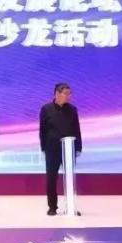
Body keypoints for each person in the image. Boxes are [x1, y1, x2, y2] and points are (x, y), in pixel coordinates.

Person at [39, 83, 82, 216]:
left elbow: (77, 129)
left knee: (70, 177)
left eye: (70, 93)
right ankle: (52, 207)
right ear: (57, 93)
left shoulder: (72, 109)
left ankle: (71, 206)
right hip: (52, 149)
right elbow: (42, 130)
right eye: (66, 93)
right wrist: (44, 147)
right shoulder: (46, 109)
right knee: (51, 178)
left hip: (69, 149)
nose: (69, 96)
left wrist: (78, 147)